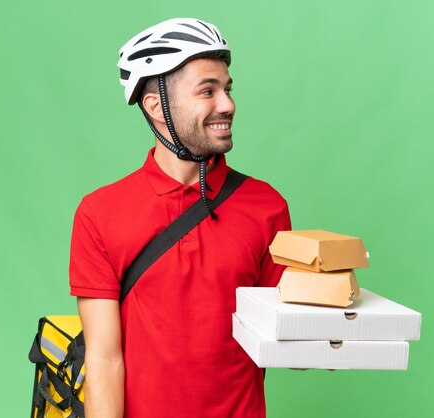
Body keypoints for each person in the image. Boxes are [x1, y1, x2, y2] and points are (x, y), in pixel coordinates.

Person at [69, 18, 291, 418]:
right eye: (208, 91)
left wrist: (333, 324)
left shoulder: (267, 206)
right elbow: (103, 360)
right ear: (156, 106)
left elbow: (287, 343)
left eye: (227, 89)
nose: (227, 104)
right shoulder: (99, 213)